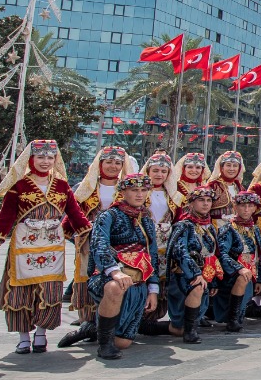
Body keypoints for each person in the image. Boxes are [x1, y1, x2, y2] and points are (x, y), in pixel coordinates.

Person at [0, 139, 90, 355]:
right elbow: (5, 217)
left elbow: (75, 214)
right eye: (41, 157)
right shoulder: (19, 186)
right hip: (24, 246)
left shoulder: (62, 186)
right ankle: (23, 337)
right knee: (21, 292)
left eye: (50, 157)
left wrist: (90, 234)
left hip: (51, 248)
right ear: (31, 159)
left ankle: (41, 334)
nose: (46, 161)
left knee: (49, 291)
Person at [85, 172, 160, 360]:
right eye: (134, 190)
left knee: (124, 343)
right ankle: (104, 345)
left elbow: (152, 255)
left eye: (144, 190)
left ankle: (94, 328)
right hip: (108, 277)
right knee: (114, 287)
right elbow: (98, 245)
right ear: (123, 191)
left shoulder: (147, 219)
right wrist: (115, 272)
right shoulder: (108, 215)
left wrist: (153, 288)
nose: (139, 194)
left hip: (138, 282)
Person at [70, 146, 136, 337]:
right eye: (109, 162)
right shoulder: (87, 188)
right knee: (87, 277)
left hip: (119, 244)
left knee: (114, 280)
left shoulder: (127, 188)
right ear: (100, 164)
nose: (113, 166)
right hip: (89, 243)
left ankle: (110, 323)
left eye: (118, 162)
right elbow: (72, 214)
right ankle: (89, 323)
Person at [165, 185, 224, 343]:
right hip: (184, 275)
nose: (205, 204)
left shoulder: (209, 226)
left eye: (208, 200)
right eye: (201, 200)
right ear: (190, 203)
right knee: (196, 290)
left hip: (205, 273)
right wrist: (195, 274)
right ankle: (189, 331)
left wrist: (214, 280)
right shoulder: (183, 226)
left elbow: (214, 254)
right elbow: (180, 252)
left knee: (200, 298)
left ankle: (189, 327)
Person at [219, 190, 261, 329]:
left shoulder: (255, 229)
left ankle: (237, 317)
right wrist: (238, 269)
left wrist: (259, 279)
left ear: (255, 208)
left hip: (250, 271)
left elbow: (258, 255)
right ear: (235, 207)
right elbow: (222, 253)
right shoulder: (228, 228)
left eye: (250, 206)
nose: (246, 209)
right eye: (242, 205)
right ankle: (232, 319)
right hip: (233, 273)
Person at [206, 151, 247, 220]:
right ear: (222, 168)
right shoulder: (213, 186)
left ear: (239, 168)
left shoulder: (240, 188)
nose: (231, 169)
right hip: (216, 227)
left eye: (235, 166)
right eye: (228, 165)